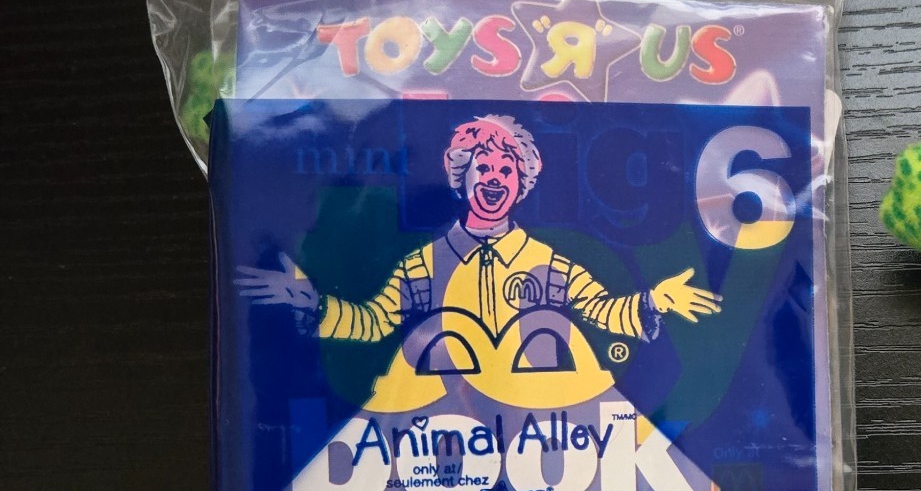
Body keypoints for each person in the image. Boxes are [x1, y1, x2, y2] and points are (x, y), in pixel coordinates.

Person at [237, 113, 720, 348]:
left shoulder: (549, 264)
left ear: (521, 186)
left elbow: (602, 310)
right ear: (461, 177)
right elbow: (373, 322)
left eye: (507, 170)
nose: (494, 178)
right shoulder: (423, 266)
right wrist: (313, 303)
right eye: (483, 167)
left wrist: (654, 301)